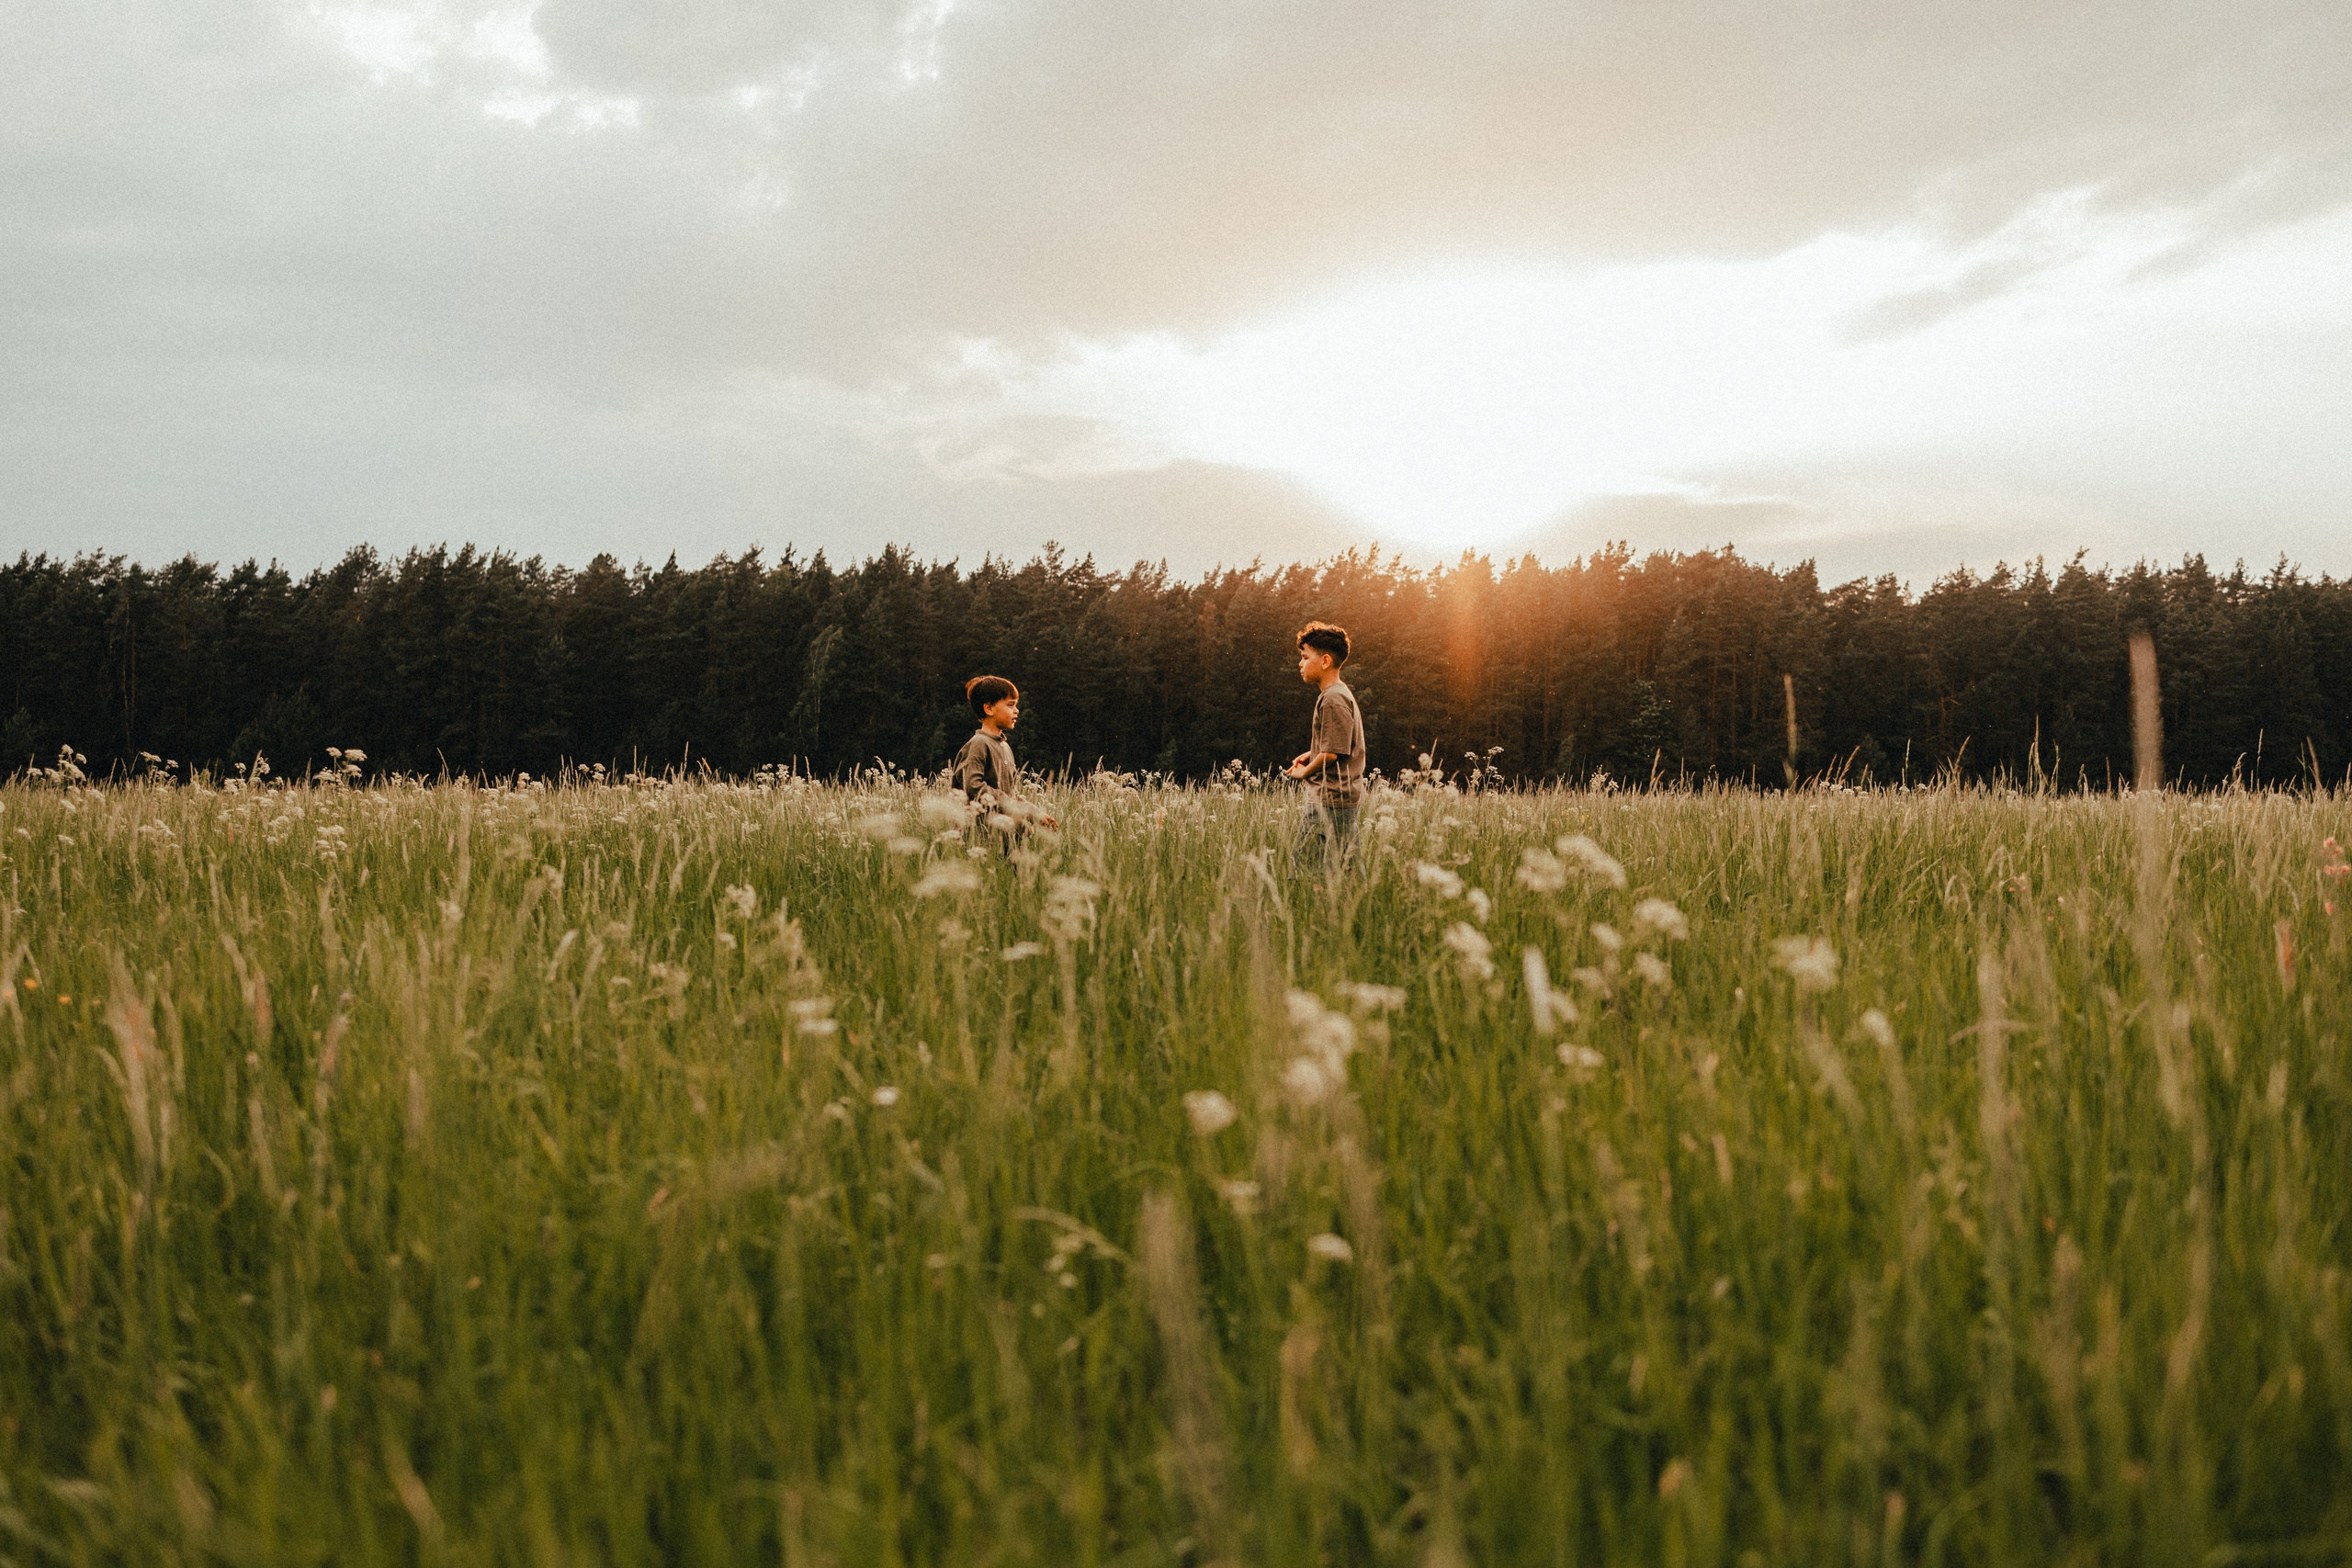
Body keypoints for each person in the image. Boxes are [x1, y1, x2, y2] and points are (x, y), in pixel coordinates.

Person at [1283, 621, 1365, 874]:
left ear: (1326, 661)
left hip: (1330, 799)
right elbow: (1337, 743)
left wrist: (1304, 773)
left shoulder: (1333, 698)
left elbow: (1333, 752)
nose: (1300, 663)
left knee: (1303, 870)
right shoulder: (1338, 694)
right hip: (1339, 798)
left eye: (1305, 657)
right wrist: (1311, 754)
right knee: (1345, 868)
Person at [954, 675, 1057, 842]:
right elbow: (972, 785)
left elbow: (1011, 794)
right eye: (1010, 705)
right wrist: (1008, 804)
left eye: (1016, 705)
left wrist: (1033, 812)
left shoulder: (1004, 746)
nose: (1016, 710)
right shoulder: (979, 743)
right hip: (980, 837)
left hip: (1004, 836)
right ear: (989, 709)